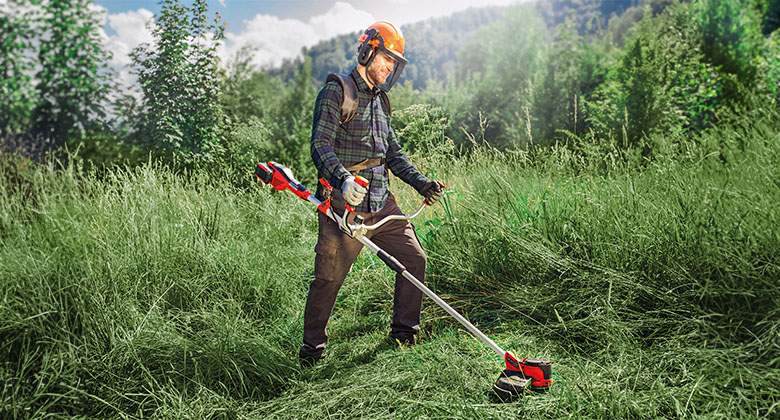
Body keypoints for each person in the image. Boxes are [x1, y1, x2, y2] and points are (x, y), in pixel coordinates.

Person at [302, 21, 444, 366]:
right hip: (344, 206)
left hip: (382, 203)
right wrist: (342, 180)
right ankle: (312, 352)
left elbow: (392, 154)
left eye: (395, 63)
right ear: (367, 52)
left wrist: (421, 183)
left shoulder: (382, 102)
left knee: (413, 260)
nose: (390, 67)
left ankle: (404, 335)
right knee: (328, 279)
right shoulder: (338, 92)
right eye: (386, 58)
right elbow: (319, 145)